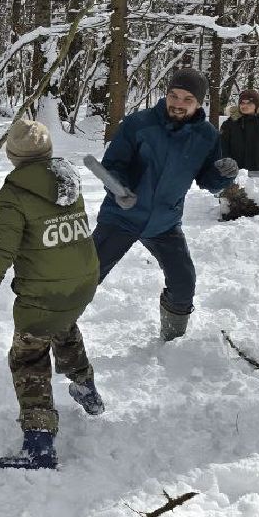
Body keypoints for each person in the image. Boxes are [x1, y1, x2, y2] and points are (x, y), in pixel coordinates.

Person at [0, 120, 101, 470]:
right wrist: (5, 223)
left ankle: (39, 445)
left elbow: (1, 252)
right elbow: (46, 221)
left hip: (42, 291)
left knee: (28, 358)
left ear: (12, 156)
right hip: (81, 282)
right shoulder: (67, 180)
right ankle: (86, 389)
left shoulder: (13, 194)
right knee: (64, 326)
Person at [93, 67, 237, 340]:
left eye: (187, 99)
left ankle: (172, 344)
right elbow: (113, 165)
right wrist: (119, 189)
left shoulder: (207, 136)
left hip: (164, 223)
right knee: (83, 278)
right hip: (121, 216)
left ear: (199, 103)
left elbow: (208, 180)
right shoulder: (139, 124)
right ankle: (52, 332)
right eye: (174, 95)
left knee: (184, 284)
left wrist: (222, 175)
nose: (178, 103)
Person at [216, 88, 259, 220]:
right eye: (242, 102)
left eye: (249, 103)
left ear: (256, 105)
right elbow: (222, 149)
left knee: (256, 210)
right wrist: (225, 167)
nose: (244, 105)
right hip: (233, 176)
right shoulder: (229, 124)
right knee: (232, 210)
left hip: (258, 173)